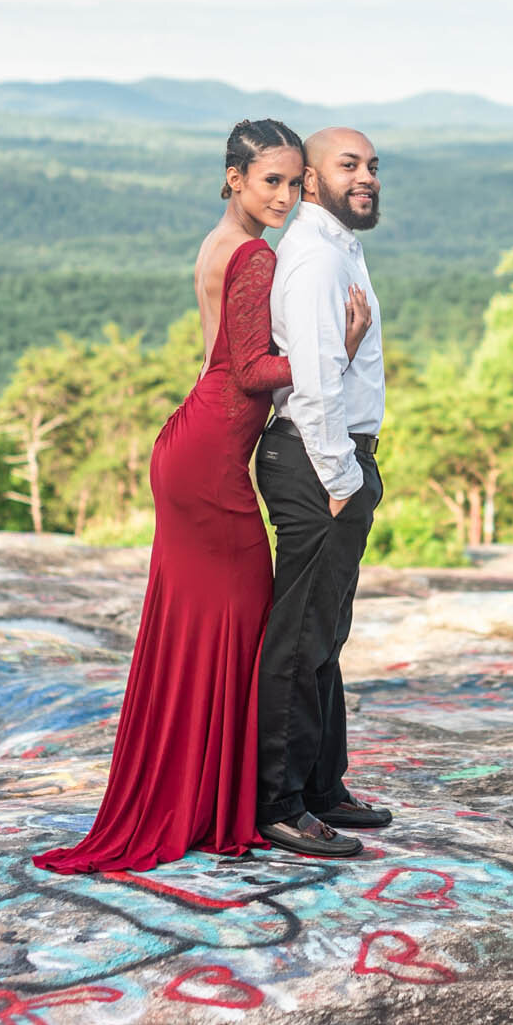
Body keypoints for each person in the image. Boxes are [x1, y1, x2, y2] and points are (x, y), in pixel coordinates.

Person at [32, 117, 371, 875]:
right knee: (243, 622)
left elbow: (225, 358)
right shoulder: (252, 253)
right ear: (234, 179)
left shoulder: (218, 242)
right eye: (269, 181)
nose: (285, 195)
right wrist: (330, 353)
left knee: (214, 627)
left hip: (196, 444)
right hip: (212, 461)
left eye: (293, 181)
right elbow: (251, 371)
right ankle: (230, 799)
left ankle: (209, 790)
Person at [253, 127, 389, 859]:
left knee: (325, 637)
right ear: (310, 179)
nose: (366, 176)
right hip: (317, 462)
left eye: (372, 165)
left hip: (337, 461)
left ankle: (319, 787)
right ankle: (276, 803)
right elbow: (311, 384)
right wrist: (340, 478)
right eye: (349, 165)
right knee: (299, 638)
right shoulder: (310, 259)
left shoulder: (339, 248)